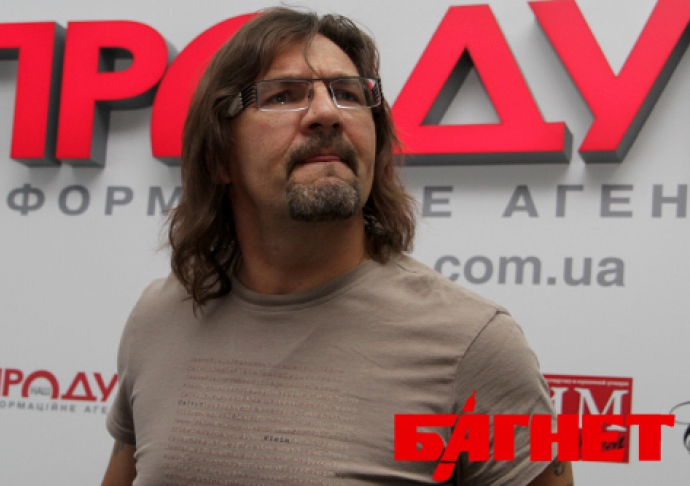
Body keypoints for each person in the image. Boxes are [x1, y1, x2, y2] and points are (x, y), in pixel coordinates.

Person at [102, 7, 573, 486]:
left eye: (348, 94)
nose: (327, 113)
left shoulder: (474, 346)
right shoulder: (158, 318)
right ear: (220, 157)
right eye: (283, 95)